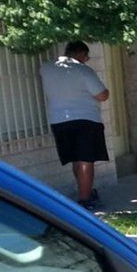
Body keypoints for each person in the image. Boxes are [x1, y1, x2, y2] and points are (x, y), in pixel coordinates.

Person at [39, 41, 110, 209]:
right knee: (86, 159)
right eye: (86, 56)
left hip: (59, 120)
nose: (86, 60)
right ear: (81, 54)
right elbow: (102, 95)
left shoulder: (47, 68)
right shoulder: (83, 70)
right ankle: (85, 200)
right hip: (86, 119)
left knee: (75, 159)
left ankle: (83, 191)